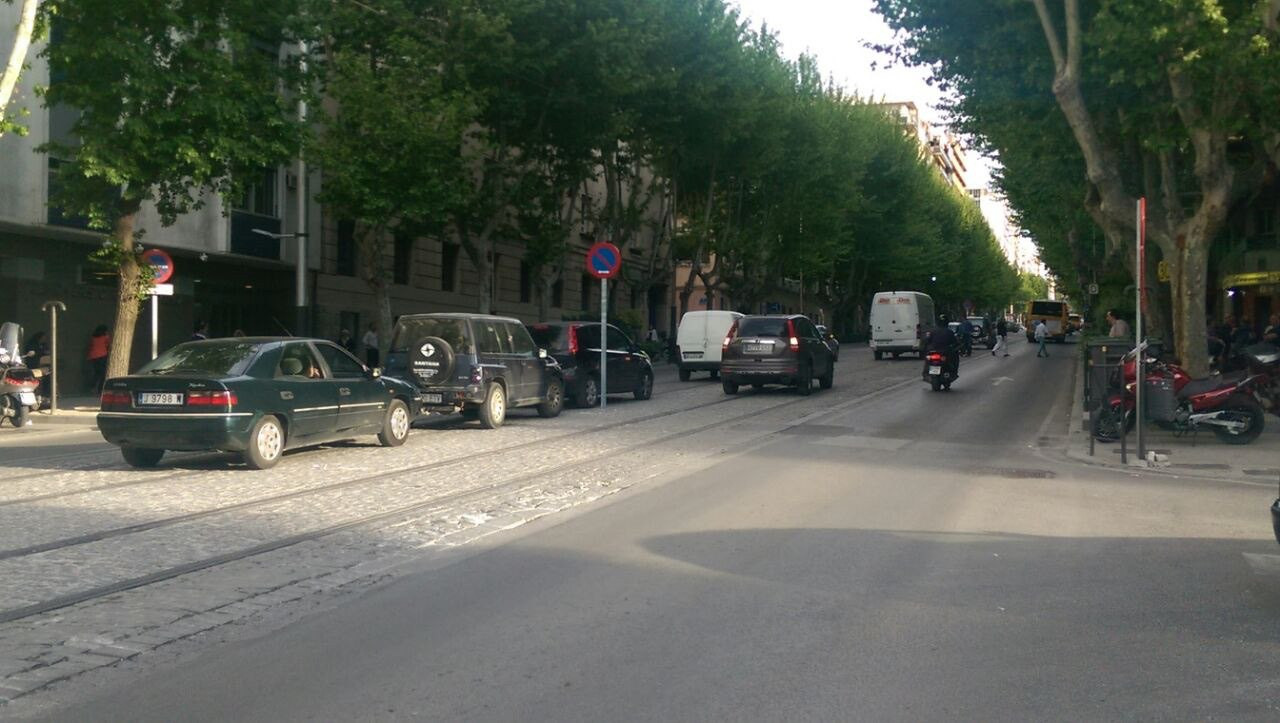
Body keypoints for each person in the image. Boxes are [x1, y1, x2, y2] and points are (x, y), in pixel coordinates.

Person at [924, 314, 960, 378]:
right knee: (955, 357)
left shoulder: (932, 331)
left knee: (927, 359)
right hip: (944, 352)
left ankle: (926, 373)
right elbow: (955, 342)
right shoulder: (949, 332)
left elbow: (927, 341)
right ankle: (953, 372)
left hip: (934, 351)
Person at [87, 325, 111, 394]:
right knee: (103, 374)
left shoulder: (93, 337)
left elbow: (91, 346)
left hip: (93, 357)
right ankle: (100, 389)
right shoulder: (105, 337)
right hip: (102, 356)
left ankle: (92, 387)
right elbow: (108, 345)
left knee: (97, 373)